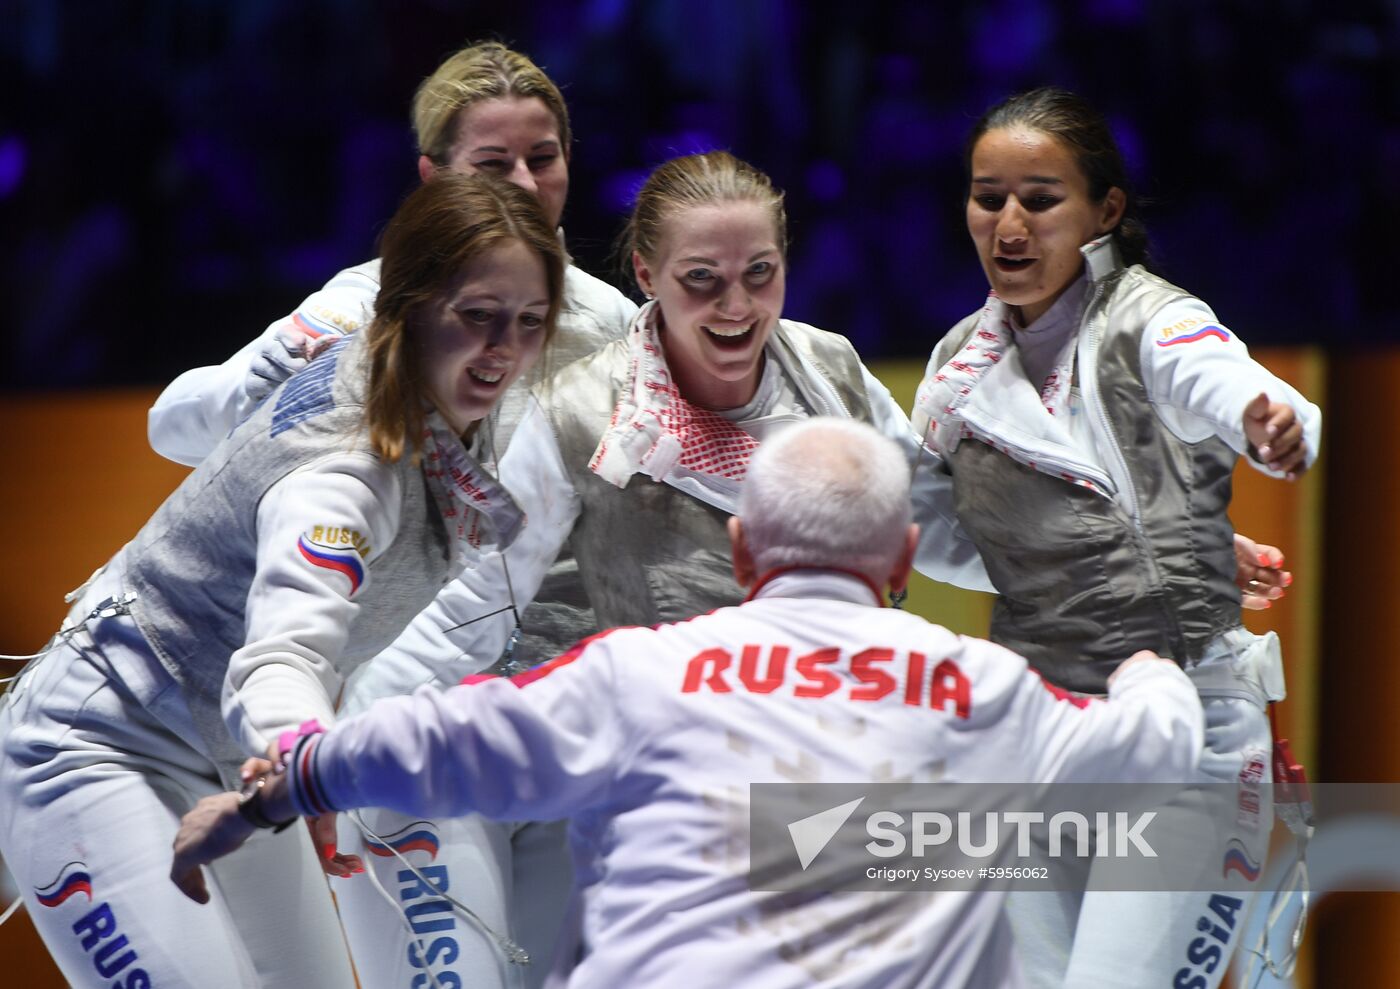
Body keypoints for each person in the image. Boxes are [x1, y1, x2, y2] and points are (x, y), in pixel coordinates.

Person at [171, 417, 1207, 989]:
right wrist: (1146, 668)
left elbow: (445, 735)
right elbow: (1150, 753)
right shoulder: (980, 688)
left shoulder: (636, 669)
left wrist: (283, 780)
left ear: (744, 549)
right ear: (900, 559)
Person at [324, 148, 988, 989]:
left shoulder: (830, 374)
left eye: (760, 272)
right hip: (674, 802)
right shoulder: (579, 414)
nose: (737, 305)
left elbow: (954, 532)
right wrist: (336, 755)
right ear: (646, 272)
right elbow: (475, 608)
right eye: (702, 278)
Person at [143, 43, 635, 987]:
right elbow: (180, 425)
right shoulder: (364, 304)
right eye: (495, 164)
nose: (527, 183)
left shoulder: (610, 323)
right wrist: (303, 367)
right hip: (399, 712)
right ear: (432, 179)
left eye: (545, 156)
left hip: (546, 718)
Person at [0, 174, 563, 988]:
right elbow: (279, 660)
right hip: (94, 745)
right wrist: (310, 763)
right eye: (477, 317)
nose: (504, 349)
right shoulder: (344, 476)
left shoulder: (411, 374)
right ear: (406, 302)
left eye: (530, 322)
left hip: (225, 763)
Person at [910, 87, 1322, 989]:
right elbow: (956, 541)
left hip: (1185, 734)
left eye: (1041, 199)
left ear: (1105, 210)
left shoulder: (1153, 321)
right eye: (989, 198)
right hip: (1037, 736)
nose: (1009, 224)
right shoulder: (955, 366)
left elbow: (1229, 382)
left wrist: (1272, 423)